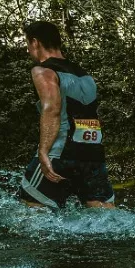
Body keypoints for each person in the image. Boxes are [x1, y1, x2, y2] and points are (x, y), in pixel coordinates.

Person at [17, 20, 115, 210]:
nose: (28, 50)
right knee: (103, 210)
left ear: (35, 42)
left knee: (32, 208)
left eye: (28, 44)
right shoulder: (85, 75)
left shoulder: (44, 71)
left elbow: (51, 109)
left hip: (60, 152)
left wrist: (43, 152)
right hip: (93, 151)